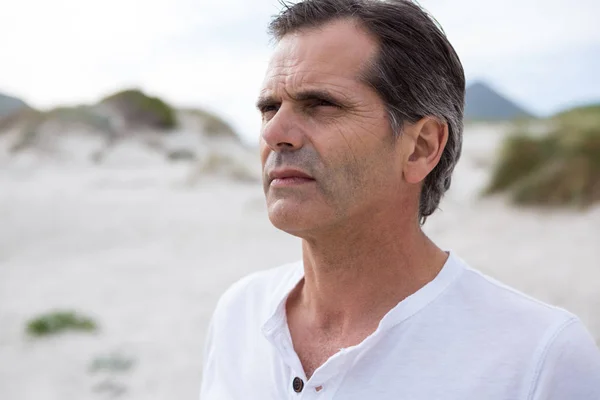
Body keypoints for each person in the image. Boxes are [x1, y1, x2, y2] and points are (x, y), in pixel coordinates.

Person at [200, 0, 600, 398]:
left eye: (321, 105)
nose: (274, 134)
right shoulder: (240, 314)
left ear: (421, 148)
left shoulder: (539, 360)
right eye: (270, 108)